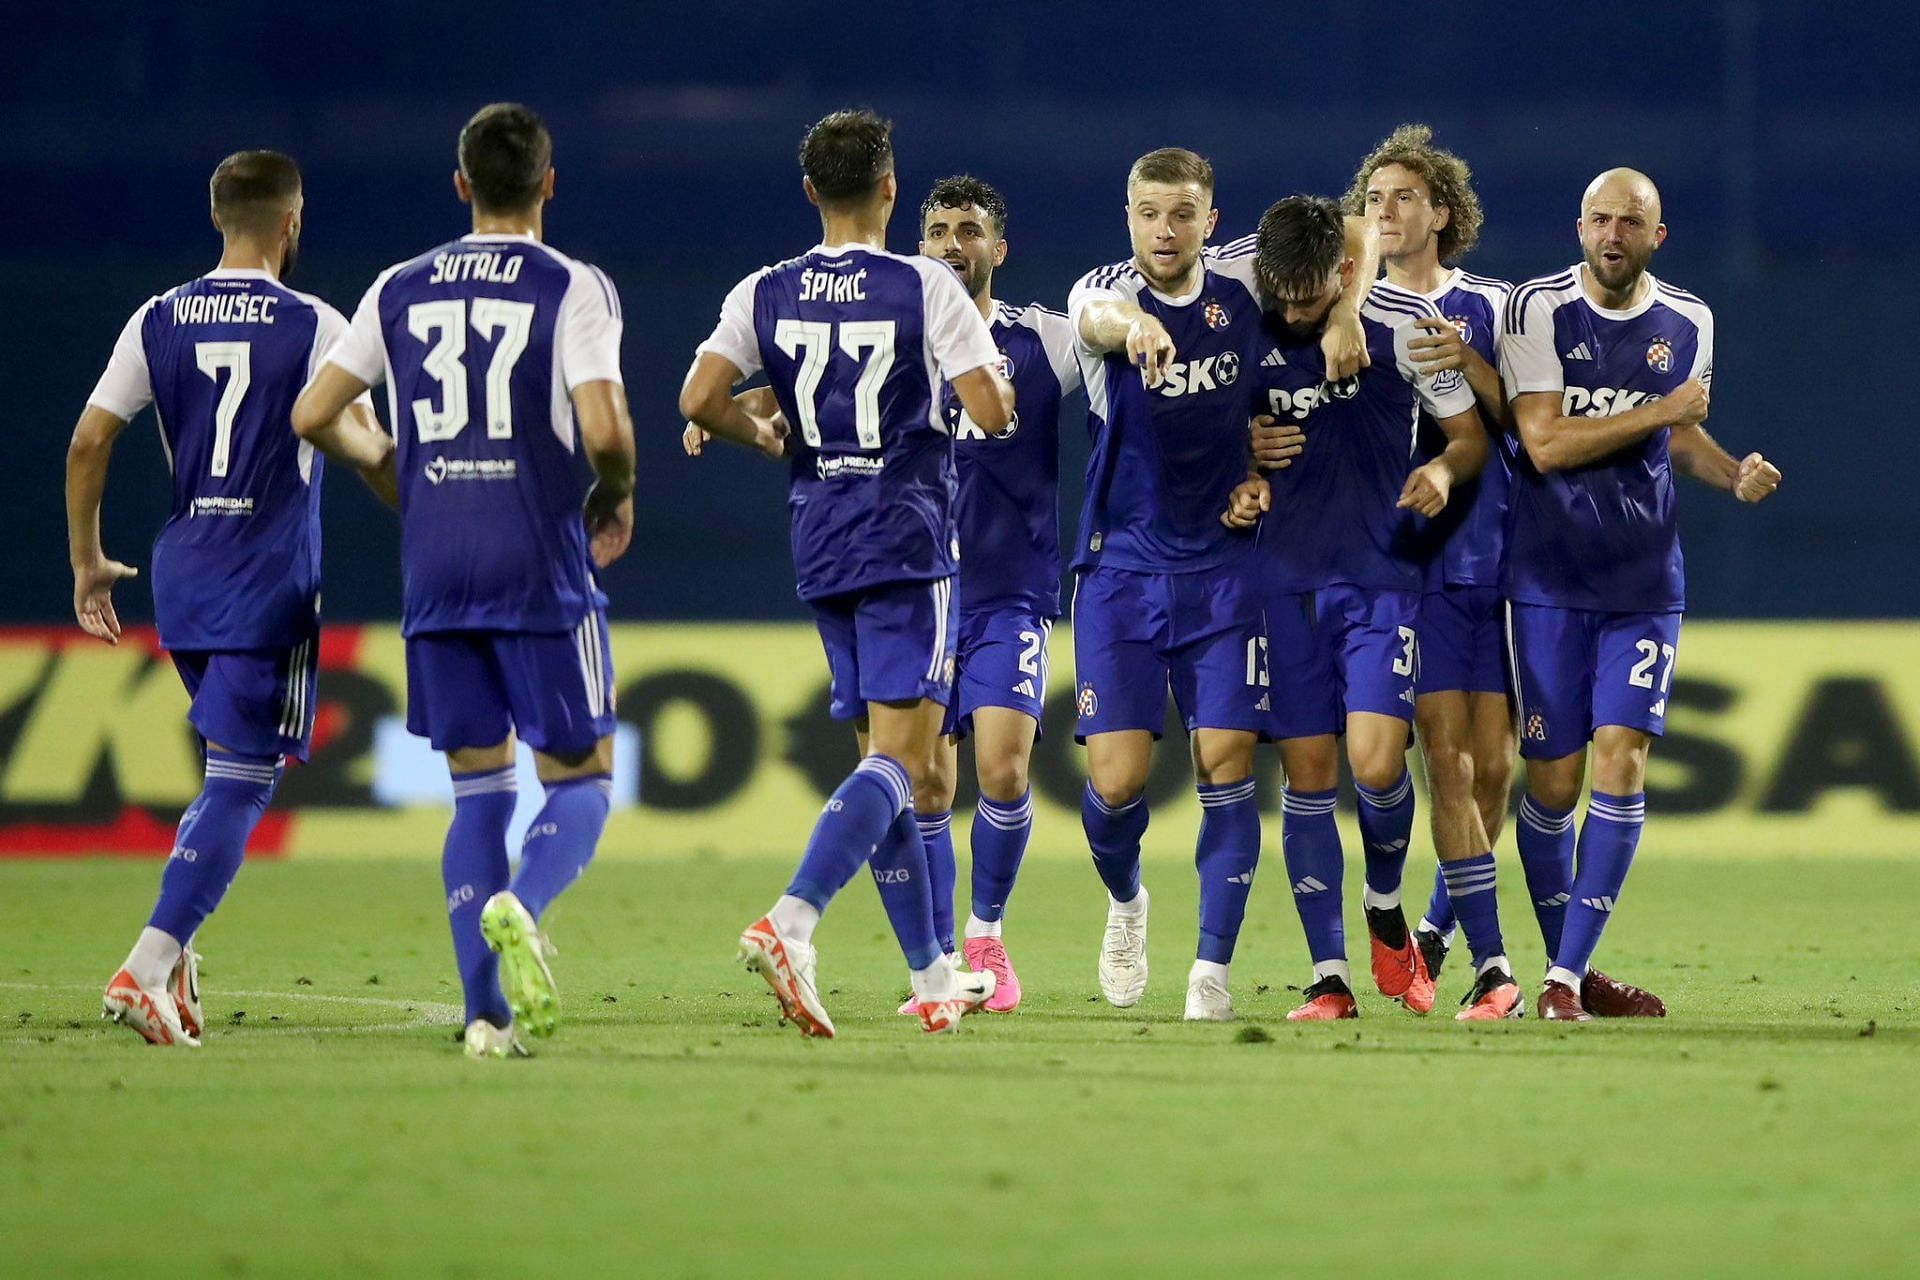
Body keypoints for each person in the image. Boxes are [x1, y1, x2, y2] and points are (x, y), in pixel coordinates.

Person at [294, 103, 637, 1058]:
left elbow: (317, 410)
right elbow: (605, 428)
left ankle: (484, 1019)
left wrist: (392, 471)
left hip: (436, 570)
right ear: (549, 183)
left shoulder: (400, 286)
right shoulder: (571, 286)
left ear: (461, 186)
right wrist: (615, 496)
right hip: (537, 560)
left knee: (477, 794)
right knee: (582, 780)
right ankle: (524, 907)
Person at [679, 110, 1014, 1037]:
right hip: (907, 540)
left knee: (885, 765)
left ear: (809, 192)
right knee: (906, 764)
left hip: (819, 537)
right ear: (892, 190)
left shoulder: (765, 289)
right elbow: (988, 413)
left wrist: (763, 428)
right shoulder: (926, 285)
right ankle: (793, 918)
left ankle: (934, 973)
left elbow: (698, 398)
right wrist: (987, 388)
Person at [72, 150, 389, 1047]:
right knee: (243, 782)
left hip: (183, 572)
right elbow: (361, 438)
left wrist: (88, 559)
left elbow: (90, 440)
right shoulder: (318, 322)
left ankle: (177, 961)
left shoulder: (156, 317)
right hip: (267, 576)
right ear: (292, 222)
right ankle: (147, 964)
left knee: (224, 769)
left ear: (220, 217)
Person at [1069, 151, 1375, 1021]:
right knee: (1118, 783)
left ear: (1211, 220)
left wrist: (1347, 312)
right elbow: (1093, 316)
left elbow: (1351, 228)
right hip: (1122, 569)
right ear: (1126, 215)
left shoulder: (1240, 278)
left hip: (1225, 570)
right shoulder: (1101, 289)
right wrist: (1131, 330)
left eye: (1182, 214)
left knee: (1227, 763)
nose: (1164, 230)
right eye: (1148, 213)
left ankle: (1210, 970)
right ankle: (1128, 902)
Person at [1500, 168, 1781, 1019]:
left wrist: (1731, 474)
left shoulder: (1690, 319)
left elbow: (1679, 434)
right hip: (1546, 582)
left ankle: (1559, 981)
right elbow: (1545, 444)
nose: (1613, 234)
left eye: (1631, 222)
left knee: (1621, 758)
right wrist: (1659, 411)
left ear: (1659, 237)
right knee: (1551, 785)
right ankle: (1569, 971)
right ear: (1577, 226)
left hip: (1644, 582)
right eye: (1599, 220)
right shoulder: (1536, 311)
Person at [1227, 195, 1501, 1021]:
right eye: (1282, 291)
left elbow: (1471, 435)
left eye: (1312, 293)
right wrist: (1239, 453)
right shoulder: (1242, 316)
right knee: (1308, 777)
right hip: (1278, 583)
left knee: (1379, 763)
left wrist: (1448, 473)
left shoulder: (1406, 324)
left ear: (1345, 274)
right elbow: (1184, 431)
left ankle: (1385, 902)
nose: (1294, 307)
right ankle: (1329, 977)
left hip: (1381, 581)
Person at [1342, 124, 1525, 1018]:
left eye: (1403, 196)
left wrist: (1471, 361)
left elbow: (1528, 425)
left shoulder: (1493, 303)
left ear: (1441, 213)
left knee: (1497, 770)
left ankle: (1441, 928)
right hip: (1415, 566)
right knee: (1444, 763)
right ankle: (1492, 967)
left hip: (1500, 556)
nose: (1384, 211)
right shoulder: (1348, 307)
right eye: (1372, 199)